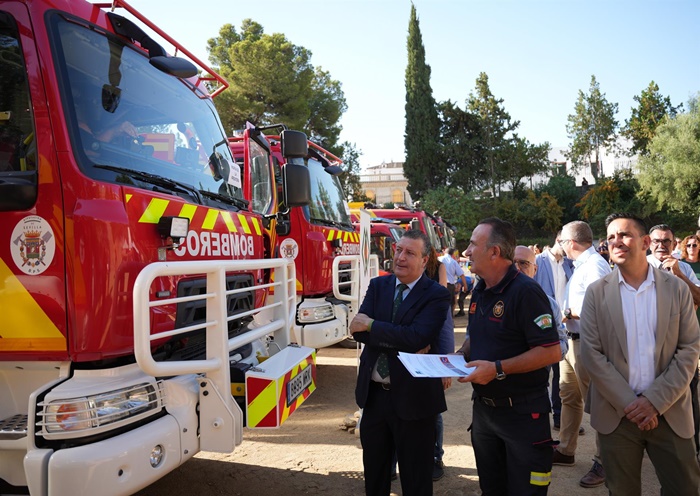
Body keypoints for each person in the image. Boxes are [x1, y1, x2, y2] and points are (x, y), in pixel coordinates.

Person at [580, 213, 700, 495]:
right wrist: (631, 405)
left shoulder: (677, 289)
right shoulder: (596, 293)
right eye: (610, 237)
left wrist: (654, 401)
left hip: (670, 412)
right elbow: (592, 355)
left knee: (685, 488)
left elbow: (689, 349)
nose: (616, 242)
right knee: (622, 491)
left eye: (623, 235)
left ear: (645, 242)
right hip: (617, 415)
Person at [456, 217, 560, 495]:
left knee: (526, 491)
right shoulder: (480, 288)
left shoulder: (526, 293)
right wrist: (456, 358)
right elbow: (476, 339)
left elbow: (552, 351)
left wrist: (498, 369)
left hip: (523, 415)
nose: (466, 252)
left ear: (494, 252)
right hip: (485, 413)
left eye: (472, 244)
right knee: (492, 489)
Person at [350, 229, 451, 496]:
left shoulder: (436, 295)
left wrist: (374, 326)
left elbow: (419, 336)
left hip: (415, 400)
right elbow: (358, 331)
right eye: (398, 250)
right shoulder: (378, 285)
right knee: (375, 477)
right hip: (374, 398)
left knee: (416, 480)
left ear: (425, 259)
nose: (401, 258)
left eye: (410, 253)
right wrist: (402, 338)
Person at [553, 220, 611, 489]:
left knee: (598, 405)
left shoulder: (595, 265)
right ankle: (566, 450)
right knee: (569, 397)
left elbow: (602, 305)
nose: (560, 245)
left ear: (571, 243)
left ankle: (605, 461)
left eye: (562, 240)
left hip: (587, 343)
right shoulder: (583, 265)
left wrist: (567, 313)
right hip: (572, 342)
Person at [534, 232, 574, 431]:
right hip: (544, 325)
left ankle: (559, 418)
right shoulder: (538, 261)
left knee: (562, 378)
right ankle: (540, 419)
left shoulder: (568, 264)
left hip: (565, 325)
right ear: (559, 241)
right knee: (542, 374)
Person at [515, 245, 568, 361]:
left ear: (535, 270)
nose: (517, 268)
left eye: (523, 263)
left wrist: (542, 351)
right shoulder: (493, 299)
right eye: (512, 263)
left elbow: (562, 344)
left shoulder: (549, 304)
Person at [439, 248, 467, 316]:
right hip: (450, 286)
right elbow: (461, 275)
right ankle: (449, 320)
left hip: (439, 285)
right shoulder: (453, 262)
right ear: (452, 254)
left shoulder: (439, 259)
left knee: (440, 303)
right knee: (450, 304)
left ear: (444, 252)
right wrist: (465, 286)